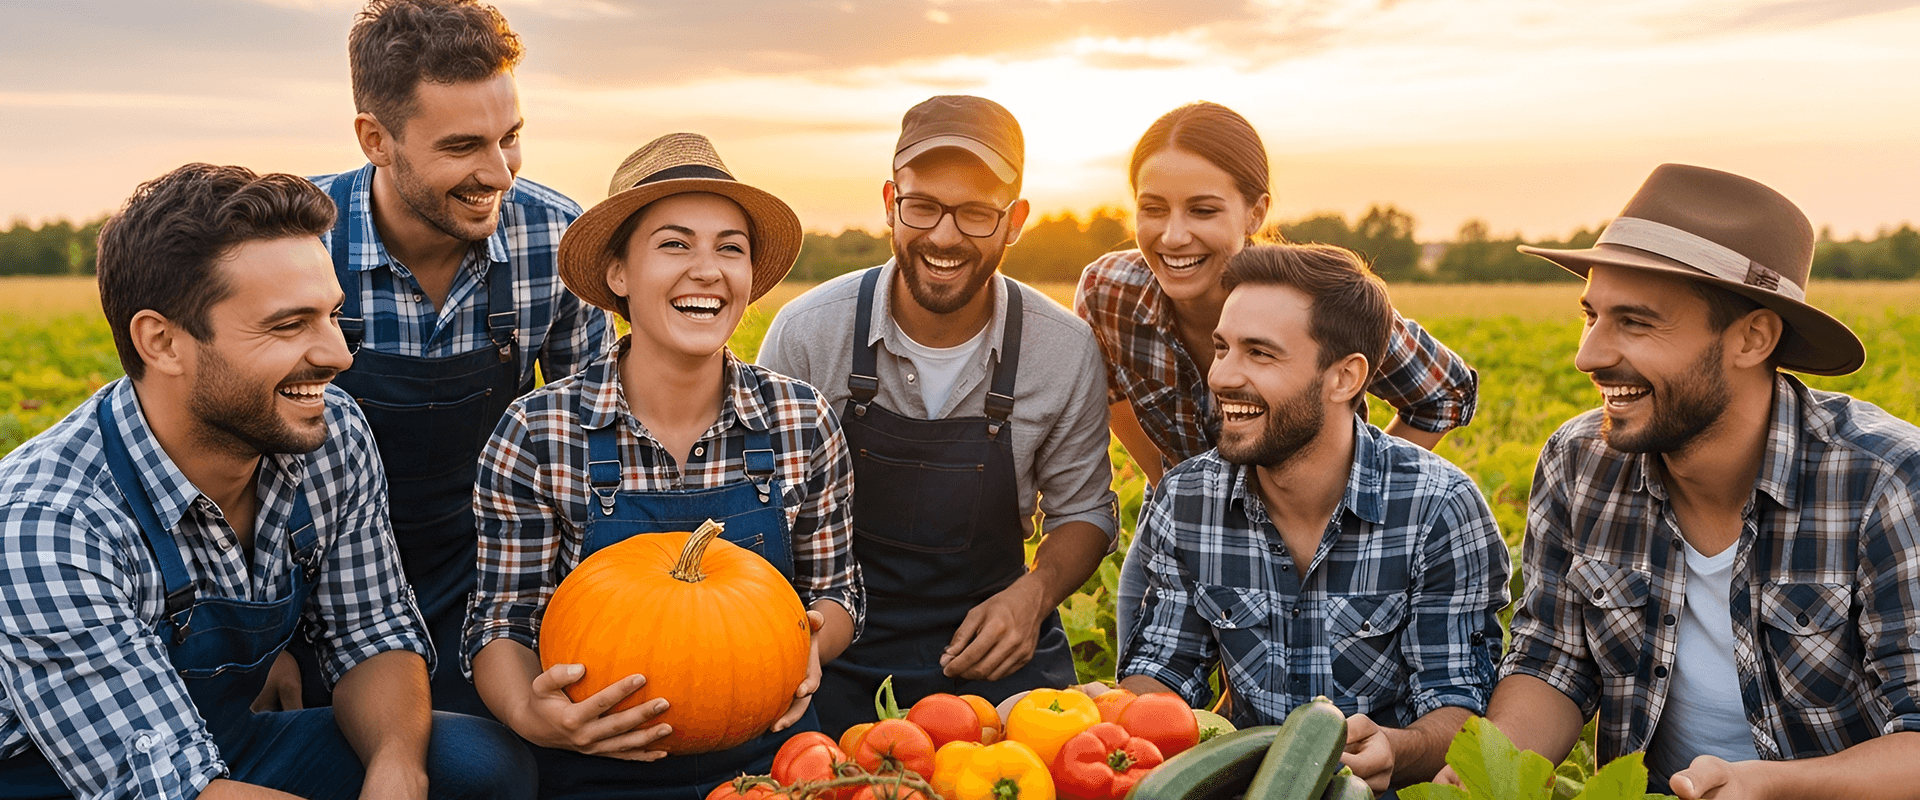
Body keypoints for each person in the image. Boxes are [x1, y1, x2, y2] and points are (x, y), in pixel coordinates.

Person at [0, 163, 534, 800]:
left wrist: (397, 769)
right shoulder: (47, 520)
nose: (338, 354)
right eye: (288, 325)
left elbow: (371, 630)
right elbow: (164, 787)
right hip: (79, 780)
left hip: (225, 742)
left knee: (475, 763)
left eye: (333, 315)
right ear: (162, 341)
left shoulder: (328, 430)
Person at [1452, 164, 1920, 799]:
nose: (1588, 354)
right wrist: (1486, 773)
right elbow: (1551, 665)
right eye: (1591, 315)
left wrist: (1771, 786)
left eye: (1635, 323)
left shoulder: (1885, 482)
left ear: (1753, 337)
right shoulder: (1578, 463)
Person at [465, 133, 861, 799]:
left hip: (775, 766)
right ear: (619, 274)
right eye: (675, 244)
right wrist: (534, 714)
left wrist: (800, 648)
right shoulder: (539, 430)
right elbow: (503, 617)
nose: (707, 269)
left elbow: (838, 592)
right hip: (595, 765)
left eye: (729, 247)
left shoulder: (801, 419)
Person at [759, 95, 1120, 735]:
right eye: (922, 206)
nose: (944, 236)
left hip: (997, 645)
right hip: (831, 645)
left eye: (977, 213)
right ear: (889, 202)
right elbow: (756, 508)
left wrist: (1032, 597)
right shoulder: (809, 333)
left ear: (1015, 221)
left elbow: (1085, 511)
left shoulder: (1062, 350)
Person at [289, 0, 610, 717]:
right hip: (309, 588)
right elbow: (224, 456)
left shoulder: (556, 242)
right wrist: (270, 640)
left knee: (495, 771)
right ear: (376, 138)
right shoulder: (292, 244)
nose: (499, 173)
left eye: (512, 137)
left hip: (484, 583)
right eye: (463, 146)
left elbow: (587, 447)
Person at [1073, 101, 1480, 647]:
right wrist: (1175, 492)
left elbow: (1445, 391)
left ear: (1255, 212)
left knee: (1294, 719)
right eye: (1153, 209)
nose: (1172, 236)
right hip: (1175, 537)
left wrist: (1363, 495)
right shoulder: (1110, 290)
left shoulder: (1309, 301)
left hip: (1307, 539)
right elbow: (1112, 394)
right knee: (1151, 711)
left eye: (1202, 210)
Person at [1116, 243, 1510, 793]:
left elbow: (1458, 707)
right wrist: (1117, 719)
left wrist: (1396, 749)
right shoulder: (1188, 497)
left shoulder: (1441, 507)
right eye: (1222, 348)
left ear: (1344, 378)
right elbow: (1163, 668)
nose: (1222, 376)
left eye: (1260, 353)